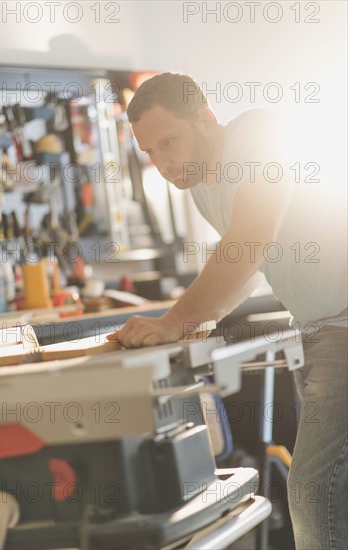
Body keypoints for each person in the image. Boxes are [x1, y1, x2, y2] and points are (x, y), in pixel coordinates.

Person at [107, 72, 347, 549]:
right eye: (150, 152)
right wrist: (197, 323)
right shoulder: (201, 186)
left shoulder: (259, 133)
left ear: (207, 119)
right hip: (318, 332)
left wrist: (177, 320)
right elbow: (258, 265)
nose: (162, 163)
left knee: (314, 496)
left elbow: (251, 240)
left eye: (169, 142)